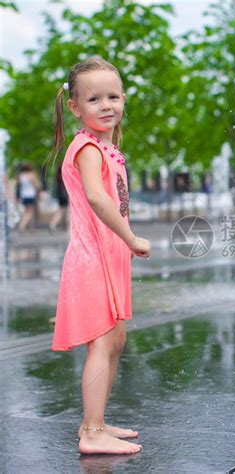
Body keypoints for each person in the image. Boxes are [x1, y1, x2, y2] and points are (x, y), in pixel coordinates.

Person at [49, 57, 150, 455]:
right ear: (75, 107)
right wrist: (130, 237)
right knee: (101, 345)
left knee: (116, 340)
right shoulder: (87, 148)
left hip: (110, 257)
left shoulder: (107, 146)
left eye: (113, 96)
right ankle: (91, 433)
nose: (106, 105)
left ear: (124, 97)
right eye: (94, 99)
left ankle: (97, 420)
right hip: (94, 259)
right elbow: (97, 198)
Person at [17, 163, 40, 232]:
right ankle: (21, 226)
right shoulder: (31, 175)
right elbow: (35, 184)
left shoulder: (20, 176)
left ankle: (31, 228)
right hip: (30, 194)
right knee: (29, 212)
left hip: (23, 195)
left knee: (27, 211)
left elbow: (18, 185)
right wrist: (38, 192)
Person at [48, 165, 69, 233]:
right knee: (63, 211)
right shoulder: (64, 178)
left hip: (61, 196)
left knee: (61, 211)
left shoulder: (58, 178)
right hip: (64, 196)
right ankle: (53, 224)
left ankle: (54, 224)